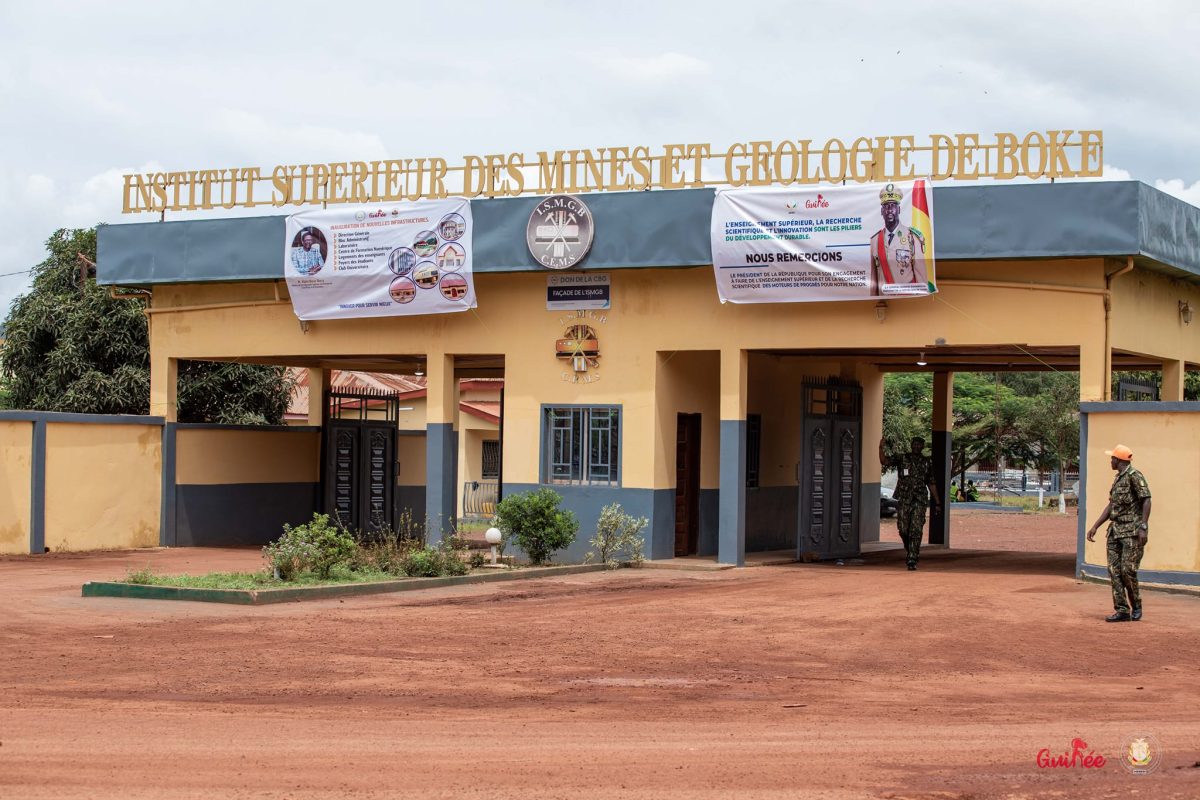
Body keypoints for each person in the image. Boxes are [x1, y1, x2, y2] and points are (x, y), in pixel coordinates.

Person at [1086, 444, 1152, 622]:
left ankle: (1136, 605)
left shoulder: (1134, 476)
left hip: (1131, 532)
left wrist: (1143, 526)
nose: (1110, 461)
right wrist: (1095, 526)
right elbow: (1111, 506)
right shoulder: (1117, 479)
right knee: (1114, 571)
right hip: (1115, 531)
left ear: (1120, 460)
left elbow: (1146, 499)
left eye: (1112, 458)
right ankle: (1122, 609)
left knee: (1127, 571)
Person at [879, 436, 940, 570]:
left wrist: (938, 502)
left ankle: (912, 558)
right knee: (903, 528)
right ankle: (910, 548)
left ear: (922, 447)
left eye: (919, 444)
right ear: (911, 445)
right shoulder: (902, 458)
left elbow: (931, 482)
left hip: (919, 499)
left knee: (916, 529)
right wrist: (880, 447)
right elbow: (884, 461)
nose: (917, 446)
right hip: (904, 498)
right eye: (915, 444)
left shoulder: (926, 462)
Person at [869, 183, 928, 295]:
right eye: (886, 206)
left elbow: (921, 277)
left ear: (899, 209)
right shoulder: (875, 240)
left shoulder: (912, 237)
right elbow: (873, 280)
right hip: (884, 302)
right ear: (882, 211)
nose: (889, 210)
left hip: (906, 302)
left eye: (893, 205)